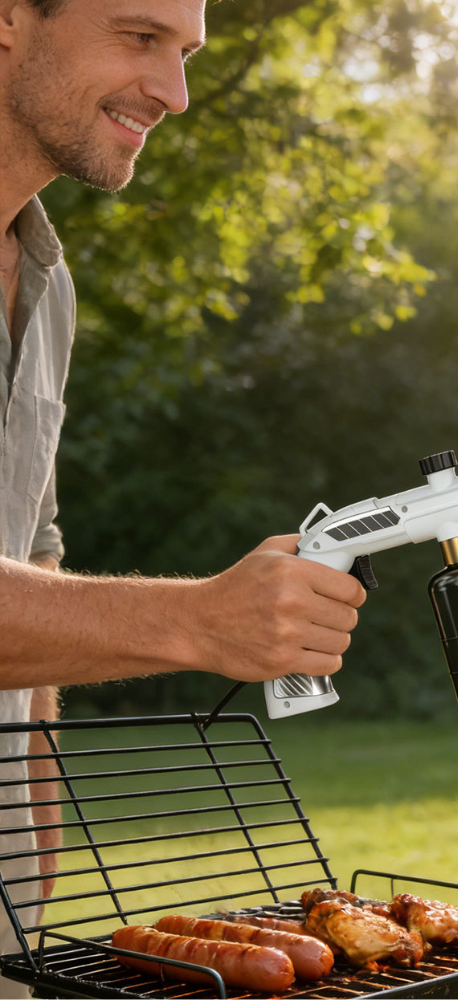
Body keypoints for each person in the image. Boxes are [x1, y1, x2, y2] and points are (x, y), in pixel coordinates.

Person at [0, 0, 365, 992]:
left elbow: (33, 552)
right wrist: (202, 621)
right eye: (140, 36)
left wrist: (31, 833)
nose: (176, 93)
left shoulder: (46, 283)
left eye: (187, 52)